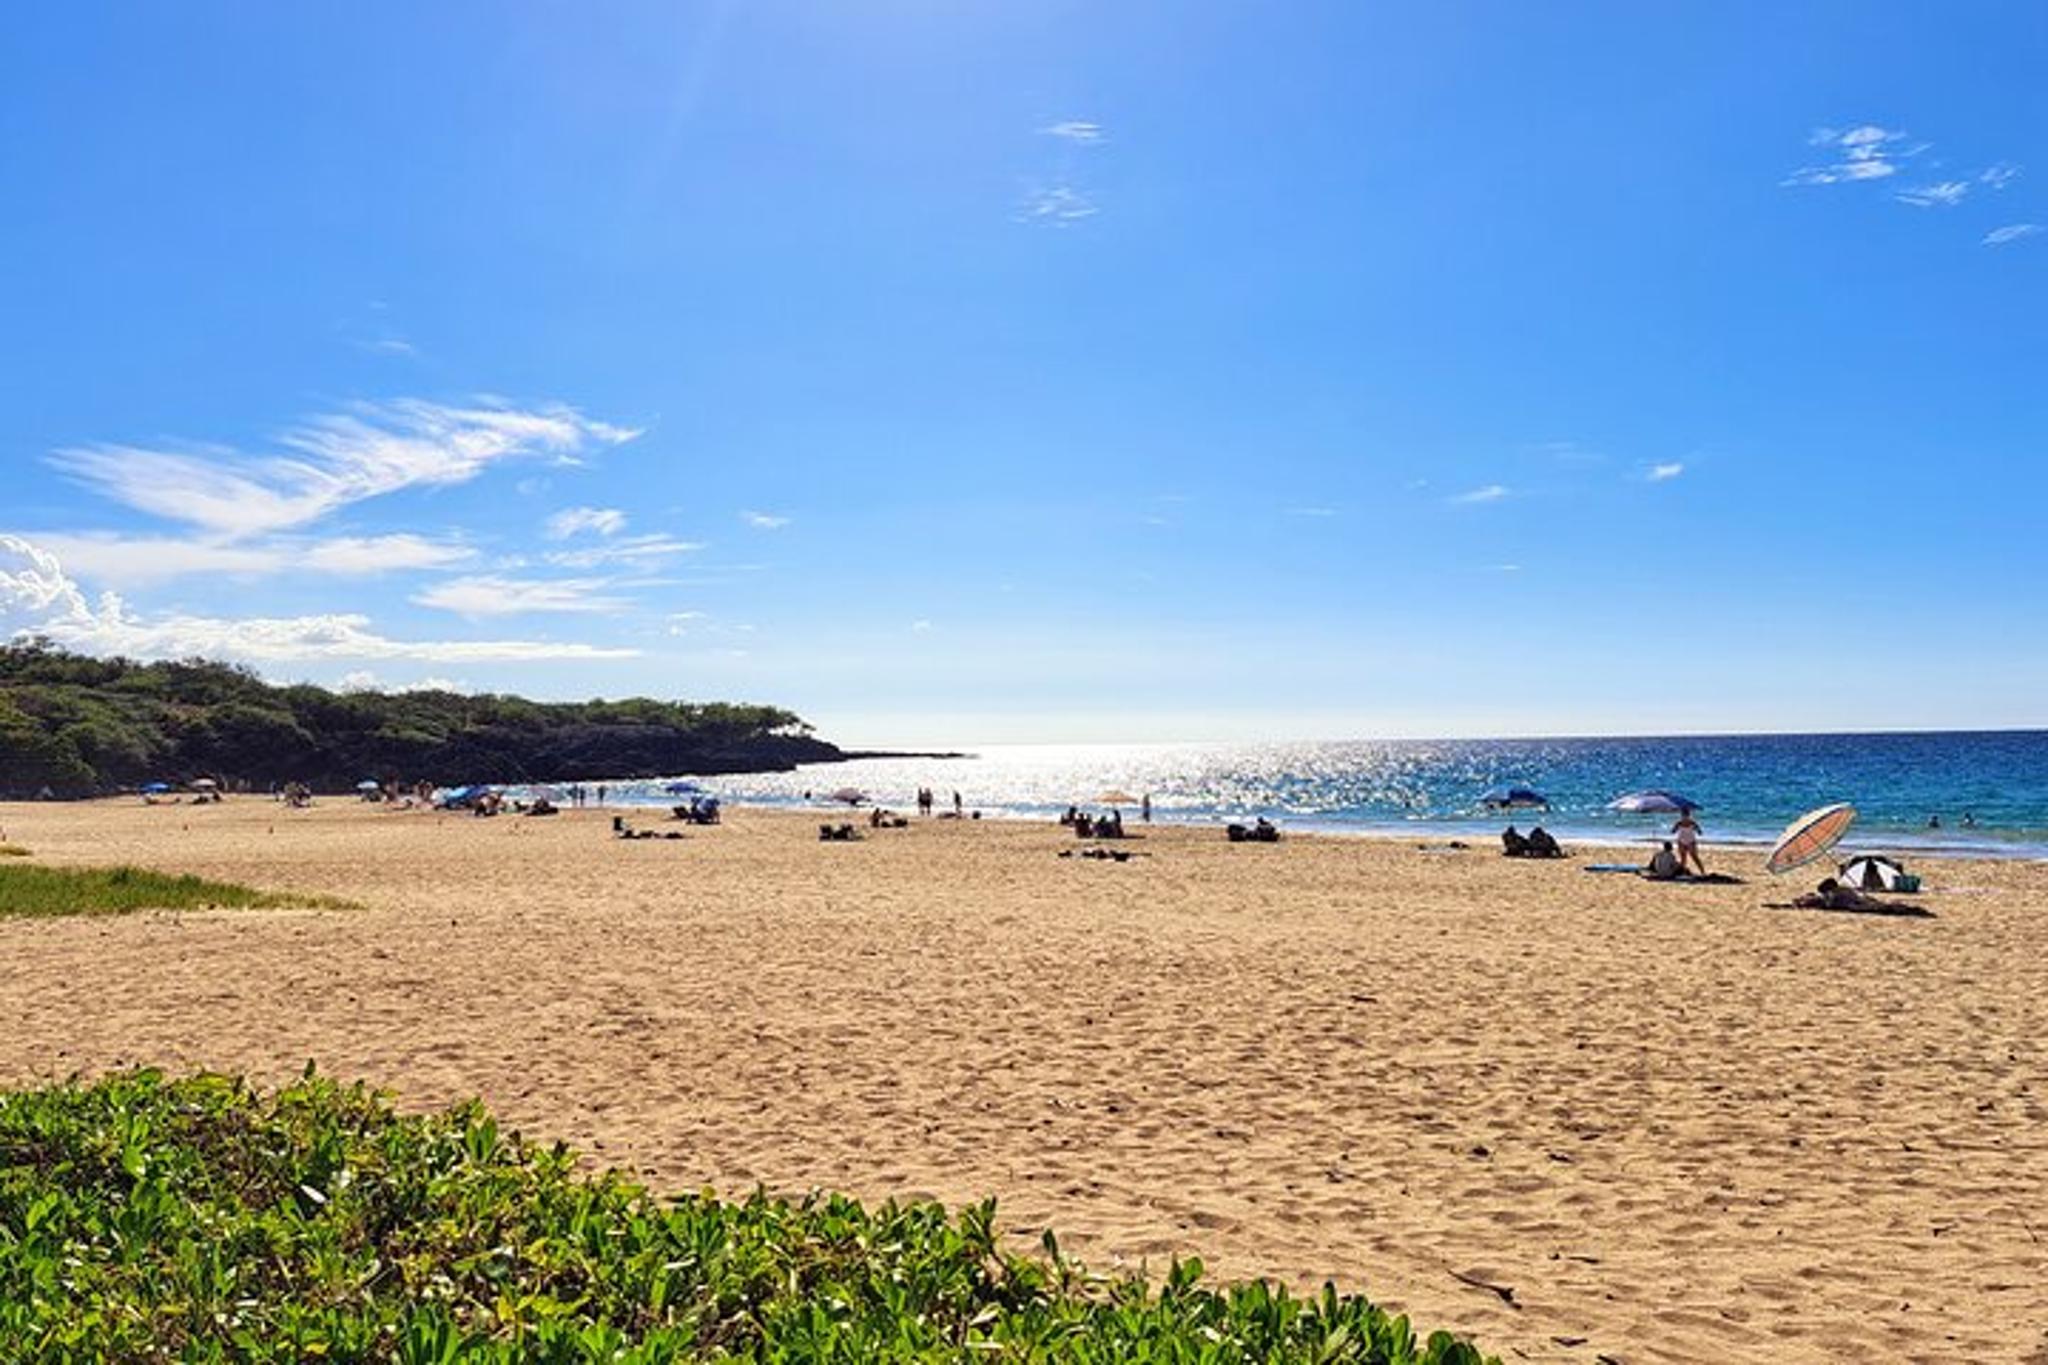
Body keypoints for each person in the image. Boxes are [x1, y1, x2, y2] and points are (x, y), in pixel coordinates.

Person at [1671, 810, 1706, 875]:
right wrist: (1674, 828)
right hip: (1681, 841)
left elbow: (1700, 832)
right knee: (1683, 859)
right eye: (1683, 816)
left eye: (1686, 816)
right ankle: (1682, 872)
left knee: (1694, 857)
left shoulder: (1693, 823)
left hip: (1691, 841)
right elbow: (1673, 831)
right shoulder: (1679, 823)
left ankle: (1702, 871)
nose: (1685, 817)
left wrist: (1698, 830)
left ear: (1689, 816)